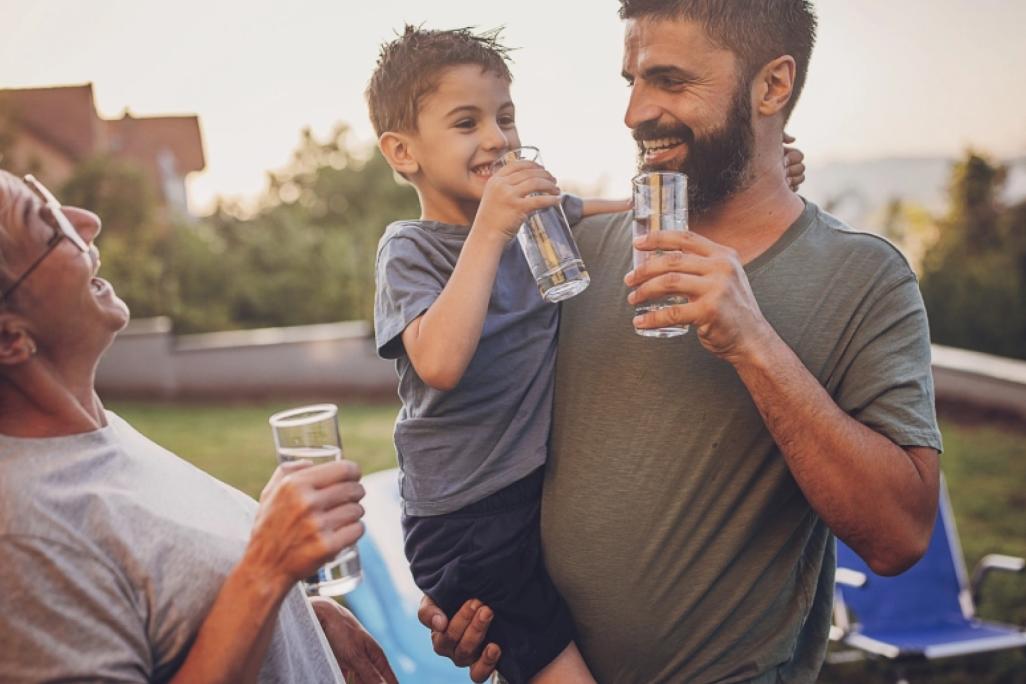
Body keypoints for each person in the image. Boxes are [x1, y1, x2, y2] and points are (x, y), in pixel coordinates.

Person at [417, 2, 943, 683]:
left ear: (772, 87)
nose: (634, 111)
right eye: (632, 79)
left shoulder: (864, 277)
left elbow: (900, 537)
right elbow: (473, 422)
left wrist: (754, 341)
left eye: (669, 80)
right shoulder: (573, 257)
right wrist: (483, 601)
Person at [368, 25, 805, 684]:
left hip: (527, 503)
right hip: (466, 521)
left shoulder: (537, 220)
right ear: (403, 153)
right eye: (466, 122)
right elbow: (439, 362)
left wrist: (760, 177)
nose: (497, 138)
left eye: (505, 117)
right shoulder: (410, 250)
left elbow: (635, 208)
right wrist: (490, 228)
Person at [0, 170, 397, 684]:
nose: (86, 220)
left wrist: (302, 616)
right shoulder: (25, 541)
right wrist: (268, 567)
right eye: (48, 225)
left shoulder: (91, 437)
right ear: (10, 339)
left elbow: (179, 612)